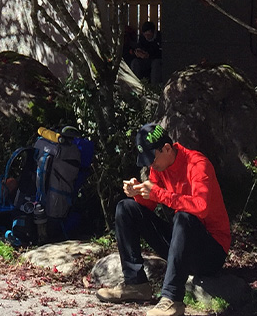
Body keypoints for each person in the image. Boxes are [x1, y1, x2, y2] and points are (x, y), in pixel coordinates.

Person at [96, 123, 231, 316]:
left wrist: (158, 194)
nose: (151, 165)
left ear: (167, 148)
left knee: (184, 217)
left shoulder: (198, 164)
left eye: (152, 159)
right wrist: (138, 193)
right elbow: (149, 206)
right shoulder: (159, 168)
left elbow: (201, 208)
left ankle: (172, 299)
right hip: (182, 245)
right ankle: (136, 284)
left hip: (211, 251)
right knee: (125, 208)